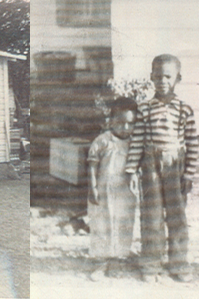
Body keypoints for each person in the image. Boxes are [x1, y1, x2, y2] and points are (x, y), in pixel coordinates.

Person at [124, 54, 199, 283]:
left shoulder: (184, 109)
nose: (162, 81)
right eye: (157, 76)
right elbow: (137, 139)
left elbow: (193, 143)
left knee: (176, 216)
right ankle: (150, 263)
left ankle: (178, 263)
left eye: (167, 76)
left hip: (175, 163)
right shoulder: (145, 108)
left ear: (178, 78)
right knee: (152, 215)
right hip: (150, 164)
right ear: (151, 78)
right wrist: (131, 170)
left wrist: (189, 173)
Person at [86, 97, 139, 281]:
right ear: (111, 121)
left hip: (125, 192)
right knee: (102, 225)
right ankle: (100, 262)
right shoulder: (103, 141)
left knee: (124, 223)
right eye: (120, 122)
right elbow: (92, 165)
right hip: (104, 192)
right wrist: (92, 187)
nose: (125, 128)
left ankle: (117, 259)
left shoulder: (135, 142)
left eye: (130, 123)